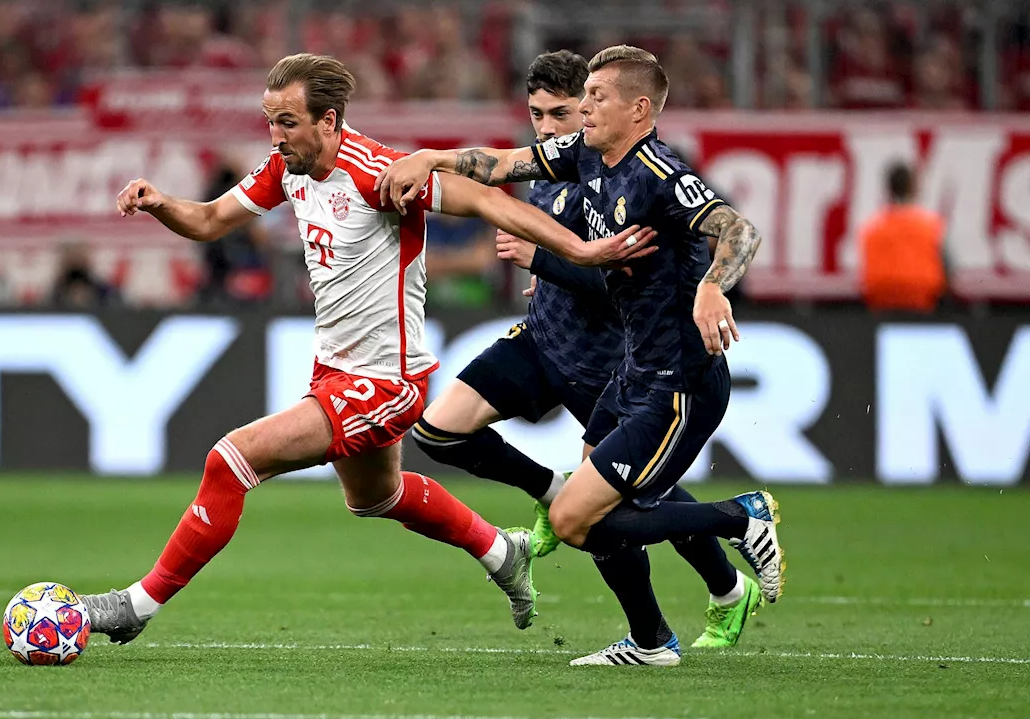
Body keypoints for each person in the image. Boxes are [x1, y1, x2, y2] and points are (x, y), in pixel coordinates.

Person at [79, 53, 654, 645]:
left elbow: (487, 201)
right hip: (333, 370)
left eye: (287, 122)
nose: (275, 136)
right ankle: (500, 550)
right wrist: (160, 202)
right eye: (270, 121)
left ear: (328, 121)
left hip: (386, 381)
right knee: (377, 497)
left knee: (231, 460)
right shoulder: (286, 168)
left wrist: (581, 252)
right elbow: (207, 220)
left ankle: (135, 606)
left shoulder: (378, 173)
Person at [376, 45, 783, 667]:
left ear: (639, 109)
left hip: (671, 378)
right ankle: (655, 636)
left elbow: (740, 230)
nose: (580, 111)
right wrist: (430, 156)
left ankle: (736, 528)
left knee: (596, 515)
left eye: (594, 98)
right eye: (579, 98)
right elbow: (500, 163)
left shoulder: (661, 176)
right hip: (621, 370)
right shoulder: (584, 156)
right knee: (584, 510)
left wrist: (708, 287)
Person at [858, 162, 946, 314]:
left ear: (889, 189)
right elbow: (948, 266)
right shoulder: (931, 226)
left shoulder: (871, 228)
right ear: (913, 188)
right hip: (922, 301)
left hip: (880, 303)